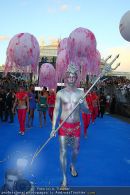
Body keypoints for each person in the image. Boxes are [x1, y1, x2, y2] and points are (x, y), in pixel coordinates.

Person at [50, 64, 90, 187]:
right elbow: (56, 110)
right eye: (69, 76)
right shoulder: (60, 93)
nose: (71, 79)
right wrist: (53, 128)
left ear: (76, 78)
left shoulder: (81, 93)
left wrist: (82, 105)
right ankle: (64, 178)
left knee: (75, 151)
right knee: (62, 151)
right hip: (63, 126)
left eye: (74, 77)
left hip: (76, 127)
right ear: (66, 78)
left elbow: (87, 111)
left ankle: (72, 165)